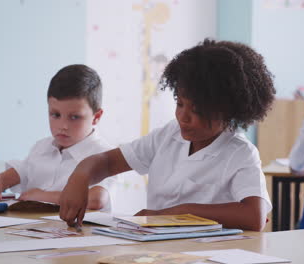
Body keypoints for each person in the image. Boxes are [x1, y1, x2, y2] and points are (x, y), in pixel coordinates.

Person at [59, 39, 276, 231]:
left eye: (197, 110)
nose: (183, 116)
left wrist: (175, 213)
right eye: (180, 103)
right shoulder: (168, 136)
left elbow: (254, 216)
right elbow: (107, 162)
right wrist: (80, 176)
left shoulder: (239, 153)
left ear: (227, 111)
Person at [0, 64, 113, 211]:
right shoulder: (42, 147)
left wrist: (42, 196)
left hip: (81, 233)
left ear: (96, 117)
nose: (63, 125)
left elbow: (96, 199)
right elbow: (20, 172)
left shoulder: (105, 155)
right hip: (32, 230)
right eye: (55, 115)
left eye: (75, 117)